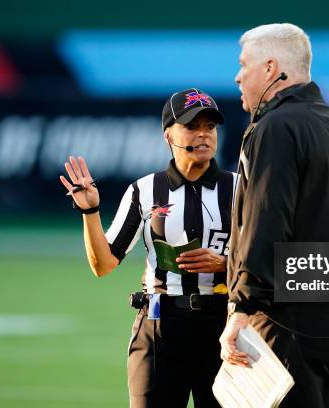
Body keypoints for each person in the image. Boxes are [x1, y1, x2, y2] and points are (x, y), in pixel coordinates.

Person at [219, 23, 329, 407]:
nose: (237, 76)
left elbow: (265, 222)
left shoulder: (274, 128)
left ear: (270, 68)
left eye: (244, 64)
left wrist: (242, 307)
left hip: (286, 316)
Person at [60, 89, 238, 408]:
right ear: (168, 134)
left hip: (224, 329)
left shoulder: (241, 188)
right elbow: (103, 264)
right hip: (159, 329)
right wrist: (90, 212)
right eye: (191, 125)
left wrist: (225, 263)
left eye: (209, 126)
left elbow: (268, 257)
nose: (202, 134)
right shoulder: (144, 189)